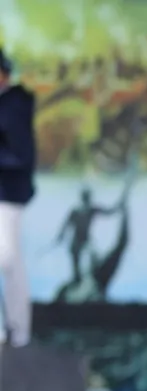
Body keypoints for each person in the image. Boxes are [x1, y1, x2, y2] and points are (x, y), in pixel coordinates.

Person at [0, 48, 36, 346]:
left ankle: (17, 332)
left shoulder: (14, 104)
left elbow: (21, 156)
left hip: (7, 196)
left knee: (8, 260)